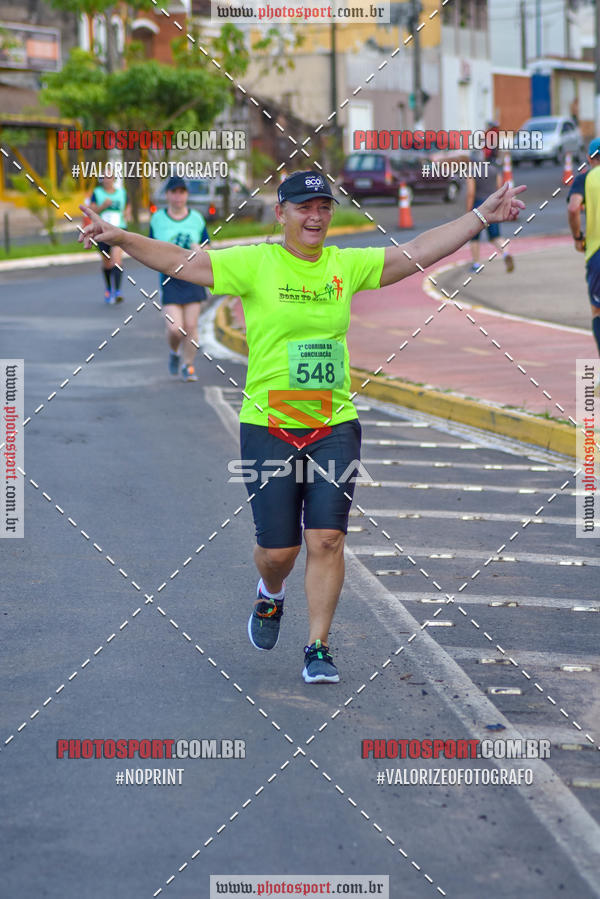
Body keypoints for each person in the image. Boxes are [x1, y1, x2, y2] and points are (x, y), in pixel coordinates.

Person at [79, 170, 526, 684]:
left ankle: (318, 646)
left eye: (323, 207)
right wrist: (121, 236)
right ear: (282, 213)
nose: (315, 217)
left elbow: (417, 251)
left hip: (333, 423)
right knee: (279, 552)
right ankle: (271, 592)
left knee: (328, 538)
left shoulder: (345, 265)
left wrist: (481, 216)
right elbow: (182, 261)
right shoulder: (255, 263)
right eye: (304, 207)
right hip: (268, 425)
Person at [149, 176, 210, 381]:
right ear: (167, 195)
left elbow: (208, 247)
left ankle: (188, 365)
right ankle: (174, 352)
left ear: (186, 195)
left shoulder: (197, 219)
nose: (178, 196)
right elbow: (150, 248)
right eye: (174, 192)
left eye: (182, 192)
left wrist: (199, 250)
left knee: (191, 327)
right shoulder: (158, 219)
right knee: (176, 329)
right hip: (170, 280)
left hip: (193, 278)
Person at [567, 137, 600, 363]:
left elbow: (573, 208)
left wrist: (578, 237)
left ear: (589, 158)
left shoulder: (585, 178)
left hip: (597, 251)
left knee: (598, 311)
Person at [466, 147, 514, 273]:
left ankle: (476, 264)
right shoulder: (493, 170)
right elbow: (499, 187)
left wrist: (468, 210)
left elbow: (471, 193)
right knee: (495, 236)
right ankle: (506, 253)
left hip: (478, 205)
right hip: (493, 205)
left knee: (474, 237)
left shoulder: (472, 172)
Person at [89, 174, 130, 304]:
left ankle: (117, 291)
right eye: (104, 177)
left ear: (114, 178)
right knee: (107, 262)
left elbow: (127, 206)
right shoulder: (97, 193)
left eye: (109, 177)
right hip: (102, 232)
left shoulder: (122, 192)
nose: (107, 179)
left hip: (118, 230)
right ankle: (108, 288)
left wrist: (127, 214)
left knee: (116, 260)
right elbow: (92, 211)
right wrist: (103, 206)